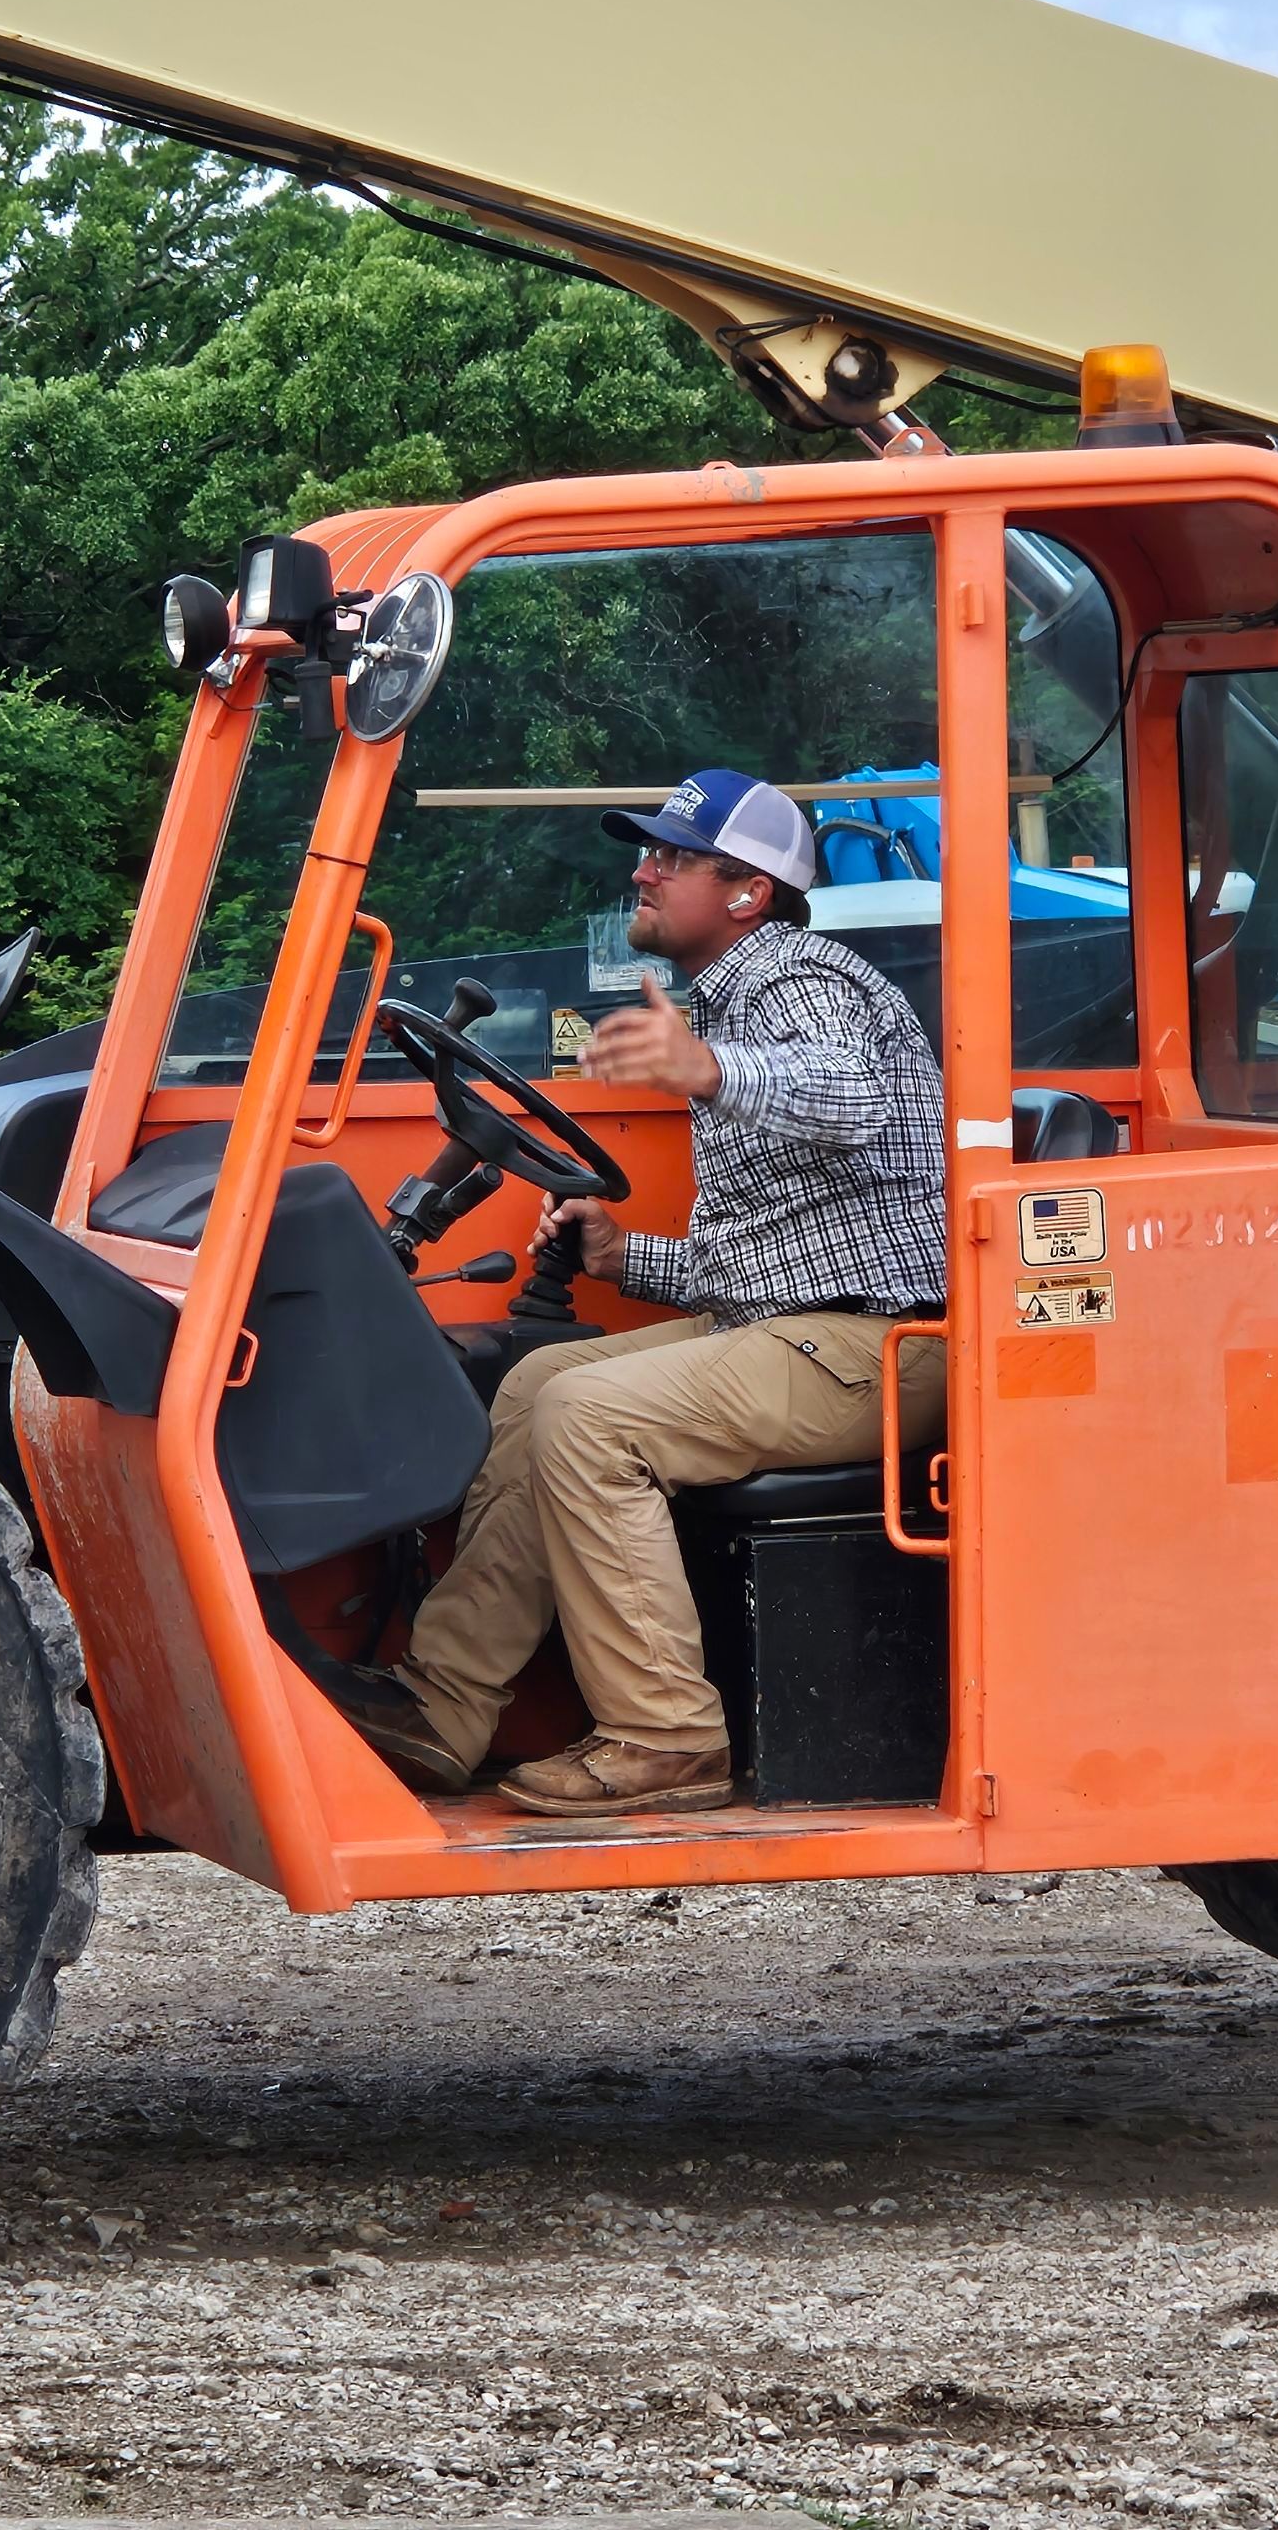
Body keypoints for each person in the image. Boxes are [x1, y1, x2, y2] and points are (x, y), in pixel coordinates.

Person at [334, 766, 948, 1816]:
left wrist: (707, 1068)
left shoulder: (800, 977)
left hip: (886, 1351)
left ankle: (666, 1736)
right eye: (648, 850)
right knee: (537, 1389)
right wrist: (628, 1257)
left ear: (748, 893)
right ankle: (444, 1707)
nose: (643, 871)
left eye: (671, 858)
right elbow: (778, 1255)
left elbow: (854, 1096)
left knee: (589, 1415)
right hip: (803, 1332)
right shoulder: (734, 997)